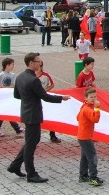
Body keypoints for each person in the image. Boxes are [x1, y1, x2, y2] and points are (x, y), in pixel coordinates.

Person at [7, 52, 70, 183]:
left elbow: (17, 95)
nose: (40, 63)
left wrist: (28, 98)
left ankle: (15, 165)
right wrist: (61, 98)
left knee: (33, 141)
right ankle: (31, 174)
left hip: (26, 112)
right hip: (33, 114)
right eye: (38, 61)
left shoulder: (20, 77)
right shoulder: (33, 80)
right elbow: (45, 96)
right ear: (31, 63)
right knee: (31, 144)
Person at [76, 87, 102, 186]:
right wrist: (97, 108)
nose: (94, 99)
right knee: (92, 157)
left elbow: (78, 117)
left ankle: (83, 175)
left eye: (95, 96)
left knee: (85, 157)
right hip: (85, 137)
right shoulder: (88, 109)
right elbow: (95, 119)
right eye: (91, 97)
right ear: (86, 98)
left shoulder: (84, 106)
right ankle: (93, 178)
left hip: (82, 136)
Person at [0, 58, 24, 137]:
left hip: (10, 96)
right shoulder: (0, 75)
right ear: (7, 65)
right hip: (2, 97)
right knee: (4, 112)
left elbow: (15, 85)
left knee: (7, 112)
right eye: (12, 64)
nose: (13, 66)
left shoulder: (13, 75)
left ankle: (15, 128)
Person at [35, 61, 62, 144]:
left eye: (40, 66)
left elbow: (52, 84)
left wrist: (45, 91)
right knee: (36, 118)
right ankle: (35, 136)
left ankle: (52, 135)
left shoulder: (45, 76)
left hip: (45, 98)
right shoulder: (32, 76)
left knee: (50, 115)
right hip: (35, 99)